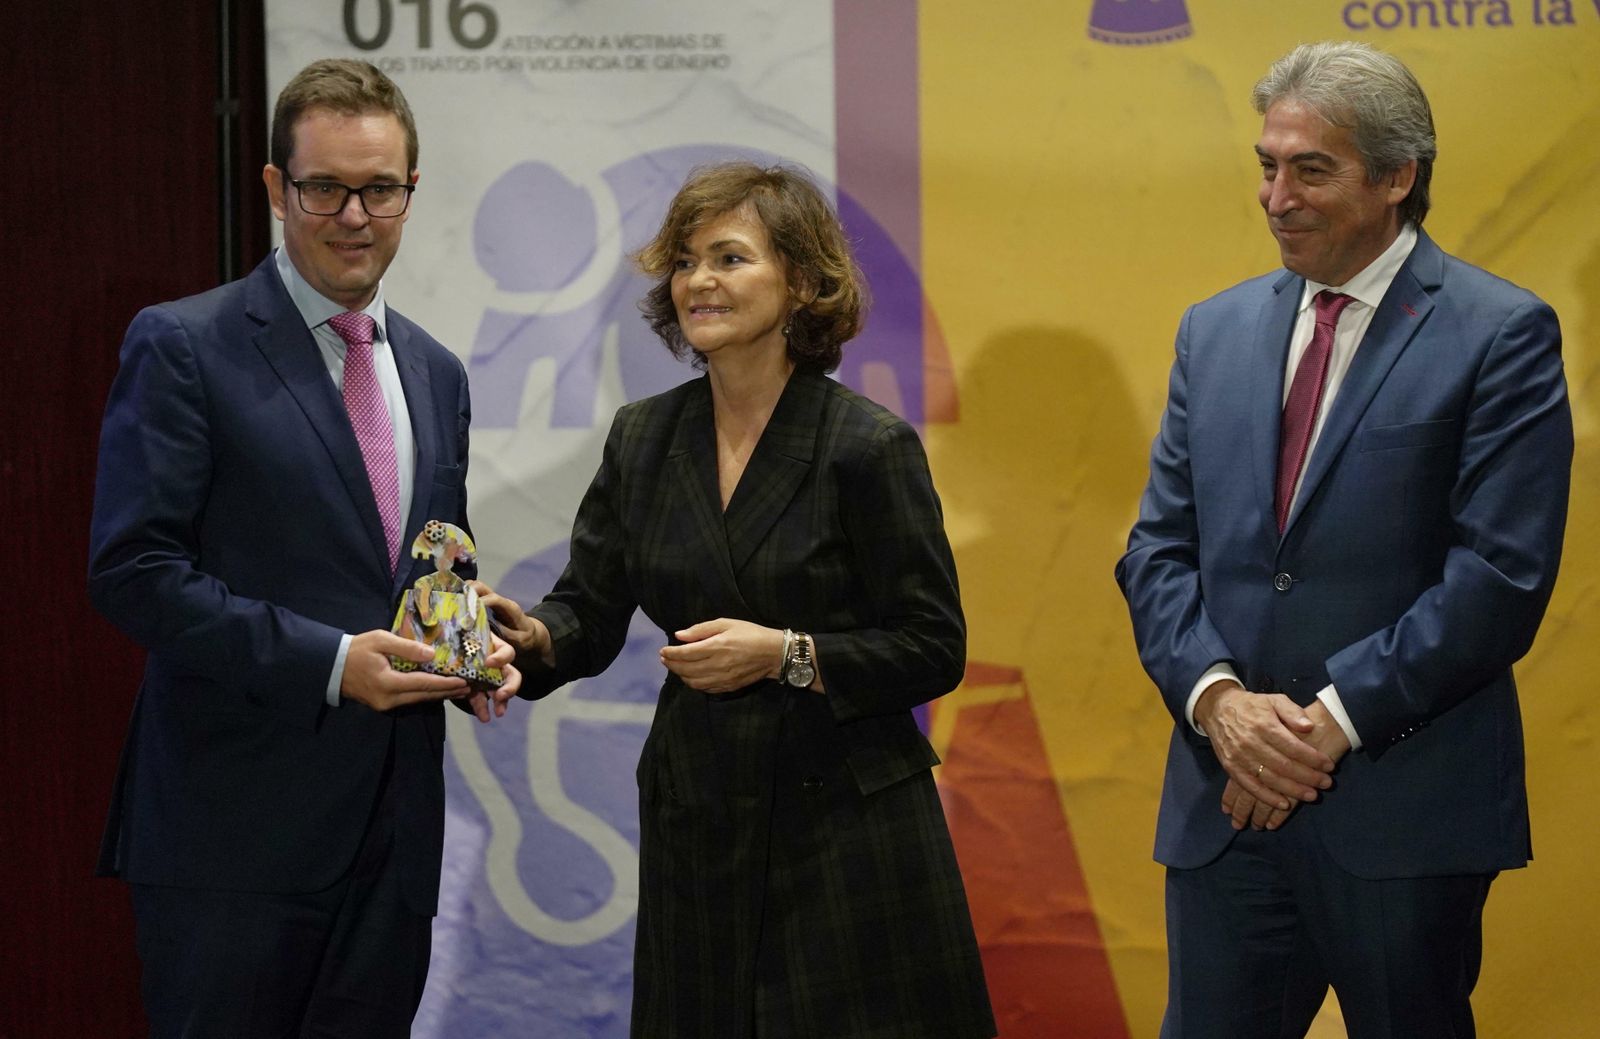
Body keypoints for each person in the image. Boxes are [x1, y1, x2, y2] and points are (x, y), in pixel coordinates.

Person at [1116, 41, 1572, 1038]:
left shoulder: (1500, 333)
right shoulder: (1215, 330)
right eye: (1266, 165)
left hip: (1399, 810)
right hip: (1223, 807)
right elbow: (1156, 550)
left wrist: (1324, 722)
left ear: (1398, 176)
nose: (1276, 196)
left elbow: (1498, 577)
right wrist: (1221, 704)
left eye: (1309, 169)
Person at [477, 162, 996, 1038]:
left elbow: (932, 645)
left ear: (800, 280)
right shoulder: (645, 438)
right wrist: (527, 637)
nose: (698, 281)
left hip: (844, 829)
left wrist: (784, 653)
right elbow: (589, 611)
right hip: (702, 823)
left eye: (729, 257)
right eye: (685, 261)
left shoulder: (867, 446)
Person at [88, 58, 517, 1037]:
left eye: (380, 188)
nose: (355, 215)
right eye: (326, 186)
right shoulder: (184, 346)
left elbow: (418, 569)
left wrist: (466, 633)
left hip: (393, 843)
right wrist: (330, 663)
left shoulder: (436, 372)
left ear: (412, 191)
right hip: (230, 846)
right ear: (279, 188)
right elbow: (133, 572)